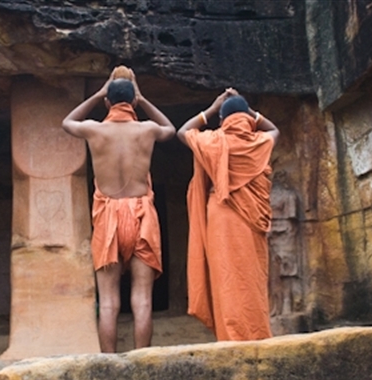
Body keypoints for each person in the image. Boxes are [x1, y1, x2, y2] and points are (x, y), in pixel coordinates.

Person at [62, 66, 176, 352]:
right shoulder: (147, 129)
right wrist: (143, 98)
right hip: (141, 215)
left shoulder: (94, 129)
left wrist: (100, 93)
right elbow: (171, 129)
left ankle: (108, 365)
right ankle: (142, 360)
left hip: (108, 216)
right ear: (134, 102)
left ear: (107, 102)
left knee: (110, 302)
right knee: (142, 299)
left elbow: (67, 122)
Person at [176, 88, 279, 341]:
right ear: (248, 119)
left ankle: (230, 336)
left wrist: (210, 110)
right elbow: (274, 129)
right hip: (250, 219)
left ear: (222, 121)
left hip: (221, 216)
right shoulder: (260, 142)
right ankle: (257, 335)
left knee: (227, 278)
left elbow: (182, 131)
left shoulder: (212, 140)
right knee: (251, 277)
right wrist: (249, 111)